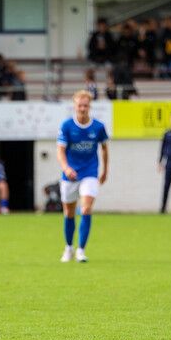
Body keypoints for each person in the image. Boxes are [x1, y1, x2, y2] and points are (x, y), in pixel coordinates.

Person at [56, 90, 109, 263]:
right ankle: (69, 247)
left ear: (90, 106)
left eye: (86, 105)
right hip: (70, 174)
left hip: (90, 172)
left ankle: (81, 250)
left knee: (86, 209)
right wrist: (66, 168)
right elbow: (60, 151)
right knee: (69, 212)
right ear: (75, 106)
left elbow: (105, 149)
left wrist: (105, 170)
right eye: (80, 105)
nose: (83, 108)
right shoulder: (67, 126)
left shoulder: (98, 127)